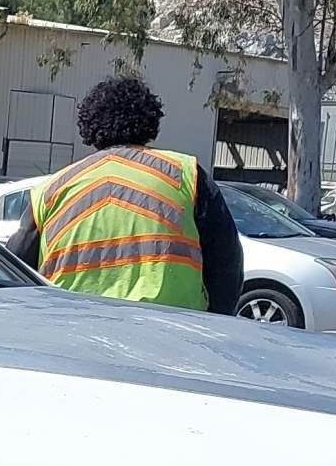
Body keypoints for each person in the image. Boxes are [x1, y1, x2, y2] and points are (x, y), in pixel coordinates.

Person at [32, 76, 243, 314]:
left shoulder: (52, 188)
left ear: (89, 124)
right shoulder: (185, 174)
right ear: (150, 121)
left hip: (72, 324)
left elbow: (12, 270)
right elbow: (227, 262)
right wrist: (218, 319)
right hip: (172, 327)